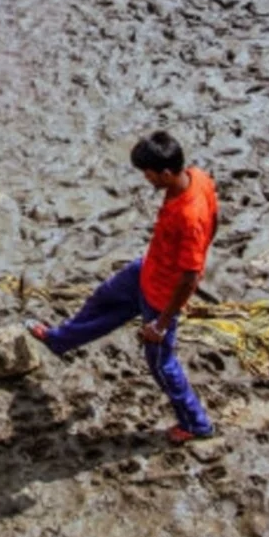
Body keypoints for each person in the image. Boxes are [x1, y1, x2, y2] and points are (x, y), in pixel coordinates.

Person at [27, 130, 218, 443]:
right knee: (101, 301)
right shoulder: (198, 177)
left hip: (162, 296)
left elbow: (190, 276)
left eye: (149, 174)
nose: (146, 179)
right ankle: (59, 340)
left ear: (167, 173)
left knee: (161, 365)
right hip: (146, 270)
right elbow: (217, 218)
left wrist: (160, 322)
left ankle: (196, 423)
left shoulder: (188, 215)